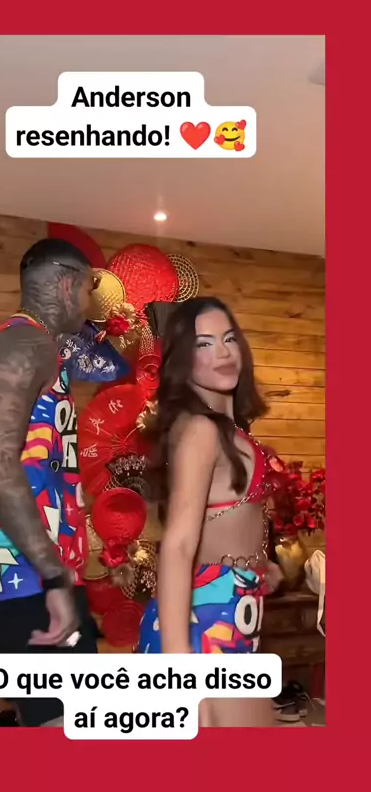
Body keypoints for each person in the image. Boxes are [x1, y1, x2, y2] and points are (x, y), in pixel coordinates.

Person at [0, 238, 99, 727]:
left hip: (34, 571)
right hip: (19, 574)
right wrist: (53, 576)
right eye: (89, 288)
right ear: (67, 285)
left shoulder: (33, 347)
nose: (90, 303)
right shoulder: (23, 343)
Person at [137, 296, 283, 727]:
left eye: (229, 338)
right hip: (203, 624)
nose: (222, 352)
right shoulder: (200, 429)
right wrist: (180, 675)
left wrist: (259, 567)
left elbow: (224, 521)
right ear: (182, 360)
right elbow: (178, 546)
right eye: (203, 344)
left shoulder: (226, 428)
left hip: (234, 612)